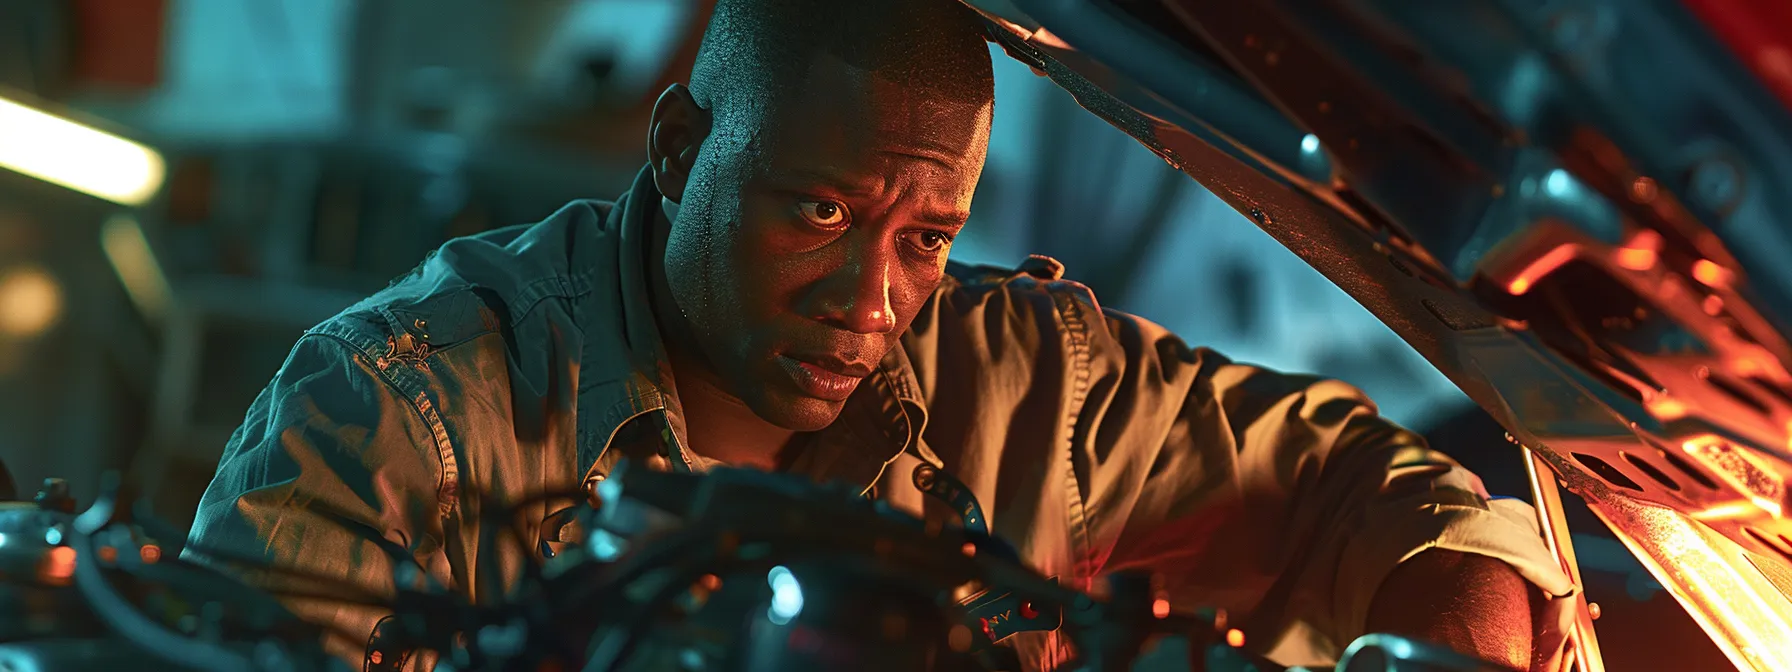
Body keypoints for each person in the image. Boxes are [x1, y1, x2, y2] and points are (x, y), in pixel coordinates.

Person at [186, 0, 1577, 669]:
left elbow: (1397, 503)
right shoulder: (399, 418)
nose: (869, 302)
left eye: (924, 239)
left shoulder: (1035, 388)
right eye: (818, 212)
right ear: (678, 149)